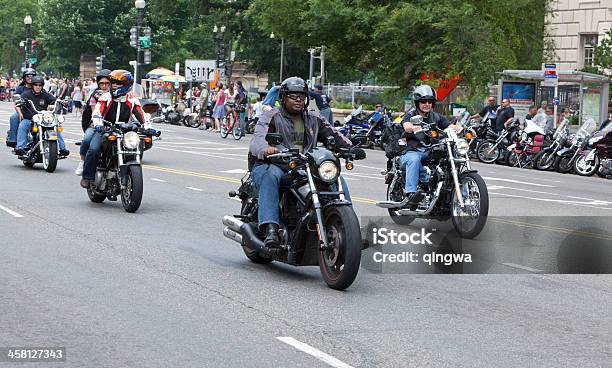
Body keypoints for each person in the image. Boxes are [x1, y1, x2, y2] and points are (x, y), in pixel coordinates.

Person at [249, 77, 365, 248]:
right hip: (273, 164)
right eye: (293, 96)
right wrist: (265, 149)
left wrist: (351, 147)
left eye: (302, 96)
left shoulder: (314, 118)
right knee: (271, 176)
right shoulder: (271, 116)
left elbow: (333, 135)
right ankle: (271, 228)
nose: (298, 100)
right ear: (283, 97)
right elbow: (257, 140)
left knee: (336, 179)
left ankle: (349, 228)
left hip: (303, 166)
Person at [80, 70, 144, 189]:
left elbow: (141, 115)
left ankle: (129, 171)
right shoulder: (106, 96)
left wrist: (148, 127)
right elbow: (97, 112)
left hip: (124, 131)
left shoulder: (132, 99)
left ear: (127, 85)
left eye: (117, 83)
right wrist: (99, 124)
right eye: (112, 82)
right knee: (94, 149)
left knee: (138, 145)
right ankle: (87, 176)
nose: (113, 85)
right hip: (105, 129)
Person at [398, 85, 459, 209]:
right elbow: (407, 125)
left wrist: (461, 128)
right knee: (414, 160)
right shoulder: (410, 115)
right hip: (412, 151)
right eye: (423, 101)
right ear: (417, 103)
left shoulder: (436, 117)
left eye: (429, 101)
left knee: (446, 161)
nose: (427, 104)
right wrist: (413, 127)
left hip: (429, 151)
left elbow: (448, 126)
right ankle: (411, 194)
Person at [14, 76, 69, 157]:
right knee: (23, 125)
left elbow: (54, 101)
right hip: (30, 118)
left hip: (43, 119)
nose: (38, 87)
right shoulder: (26, 94)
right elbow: (17, 104)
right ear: (32, 85)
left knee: (56, 127)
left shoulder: (46, 94)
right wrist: (20, 113)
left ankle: (62, 148)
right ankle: (20, 147)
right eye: (36, 85)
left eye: (40, 85)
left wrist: (60, 102)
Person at [75, 69, 112, 176]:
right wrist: (98, 124)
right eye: (102, 83)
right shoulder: (95, 95)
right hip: (97, 125)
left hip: (113, 126)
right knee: (87, 139)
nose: (104, 86)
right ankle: (82, 162)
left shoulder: (117, 94)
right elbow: (94, 113)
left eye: (107, 83)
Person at [6, 69, 36, 148]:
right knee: (14, 117)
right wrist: (20, 113)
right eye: (28, 76)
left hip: (36, 112)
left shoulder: (37, 87)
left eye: (32, 76)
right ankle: (13, 140)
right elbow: (16, 103)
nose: (30, 77)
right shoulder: (20, 88)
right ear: (24, 77)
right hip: (23, 110)